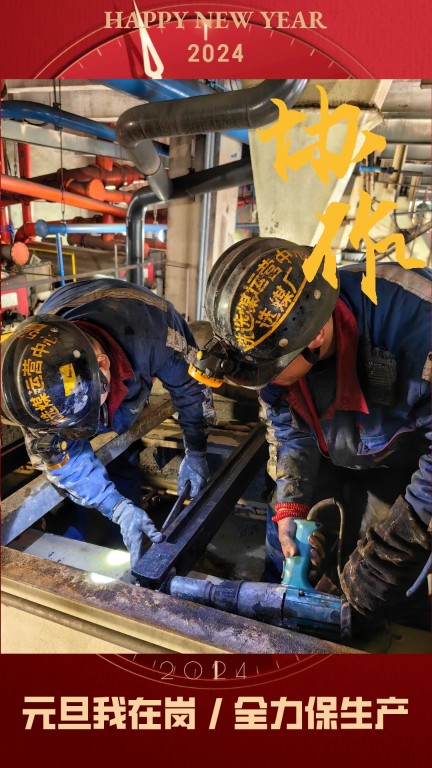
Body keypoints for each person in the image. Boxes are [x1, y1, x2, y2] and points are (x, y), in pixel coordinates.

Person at [190, 236, 431, 627]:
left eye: (269, 372)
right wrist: (290, 506)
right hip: (335, 448)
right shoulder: (276, 342)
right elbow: (289, 429)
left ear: (315, 337)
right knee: (288, 542)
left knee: (382, 585)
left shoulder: (417, 321)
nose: (267, 383)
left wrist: (398, 546)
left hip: (411, 463)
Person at [1, 278, 215, 566]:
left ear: (102, 364)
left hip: (134, 329)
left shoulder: (158, 333)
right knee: (80, 484)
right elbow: (62, 459)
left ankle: (123, 541)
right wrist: (116, 508)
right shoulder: (32, 389)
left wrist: (196, 449)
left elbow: (191, 390)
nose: (91, 422)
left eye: (90, 411)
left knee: (121, 458)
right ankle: (90, 532)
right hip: (77, 343)